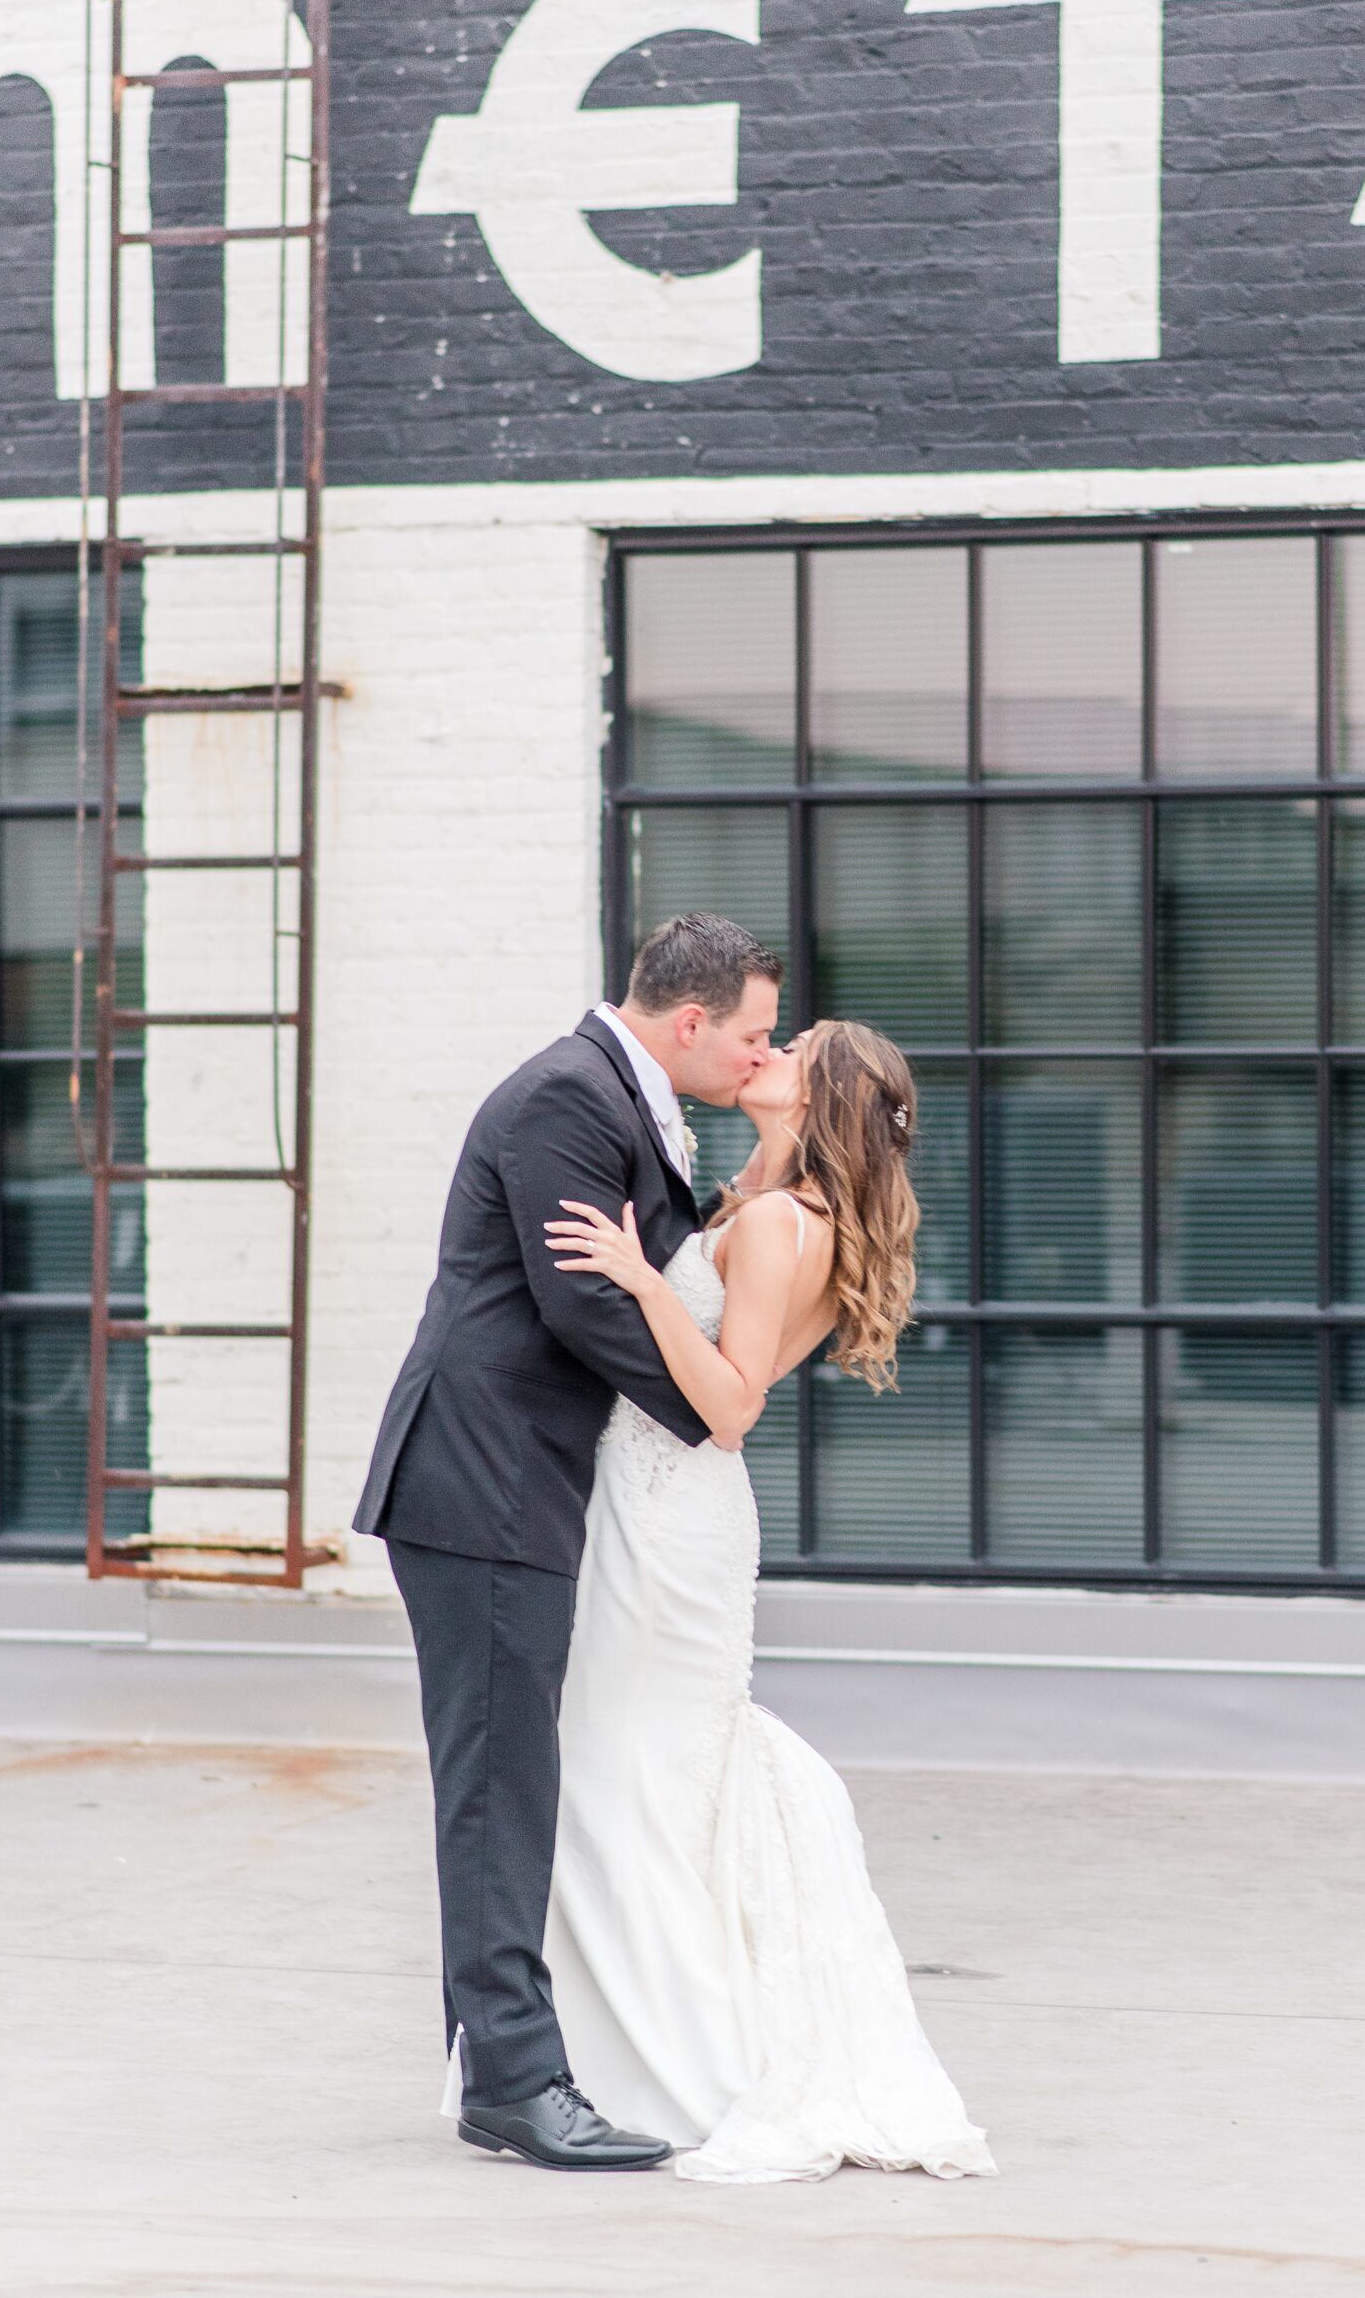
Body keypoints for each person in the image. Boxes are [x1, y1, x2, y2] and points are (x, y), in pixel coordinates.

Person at [517, 1015, 996, 2185]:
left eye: (793, 1045)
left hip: (677, 1511)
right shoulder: (768, 1200)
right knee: (632, 1768)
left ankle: (671, 2064)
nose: (766, 1047)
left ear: (817, 1090)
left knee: (632, 1770)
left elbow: (732, 1403)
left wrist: (639, 1279)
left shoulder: (786, 1223)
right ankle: (628, 2043)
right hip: (651, 1501)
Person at [354, 913, 782, 2173]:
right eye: (751, 1035)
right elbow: (582, 1297)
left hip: (513, 1483)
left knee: (507, 1774)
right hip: (478, 1485)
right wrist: (709, 1416)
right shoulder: (564, 1096)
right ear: (689, 1022)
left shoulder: (616, 1094)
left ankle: (485, 2053)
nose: (761, 1056)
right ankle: (516, 2085)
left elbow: (653, 1259)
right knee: (500, 1783)